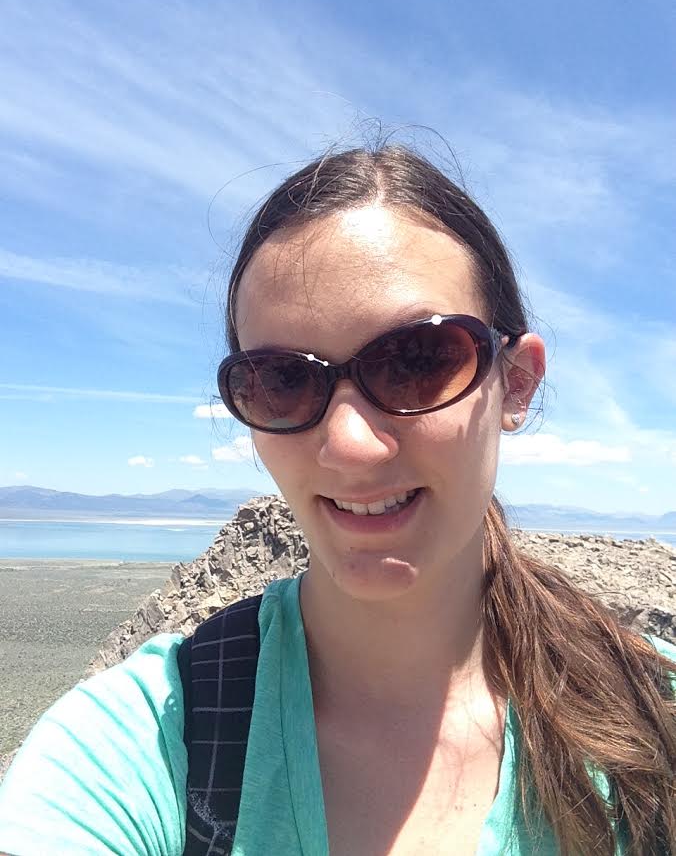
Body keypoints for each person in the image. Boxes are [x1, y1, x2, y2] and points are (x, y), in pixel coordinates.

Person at [0, 142, 674, 856]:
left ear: (516, 381)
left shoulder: (650, 714)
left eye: (417, 360)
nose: (350, 443)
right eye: (283, 379)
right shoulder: (144, 747)